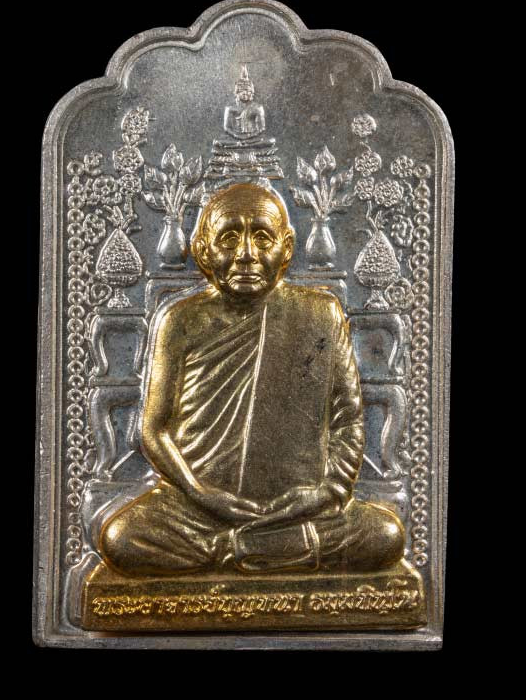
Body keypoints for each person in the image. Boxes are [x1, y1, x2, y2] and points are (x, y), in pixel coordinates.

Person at [100, 183, 404, 576]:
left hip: (299, 508)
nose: (246, 253)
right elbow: (153, 431)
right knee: (121, 537)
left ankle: (236, 549)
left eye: (262, 237)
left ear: (287, 248)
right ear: (203, 250)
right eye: (229, 238)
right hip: (199, 510)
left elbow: (347, 420)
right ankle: (255, 547)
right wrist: (201, 493)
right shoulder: (180, 320)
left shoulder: (320, 314)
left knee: (385, 534)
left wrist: (325, 492)